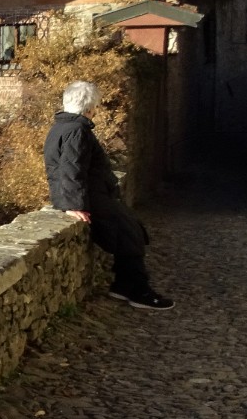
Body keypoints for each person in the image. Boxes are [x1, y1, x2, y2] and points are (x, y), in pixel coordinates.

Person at [43, 80, 174, 310]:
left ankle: (124, 286)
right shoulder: (76, 130)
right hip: (94, 199)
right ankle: (137, 291)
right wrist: (74, 205)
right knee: (130, 236)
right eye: (95, 106)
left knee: (131, 231)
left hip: (95, 196)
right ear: (90, 107)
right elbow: (71, 169)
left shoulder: (62, 127)